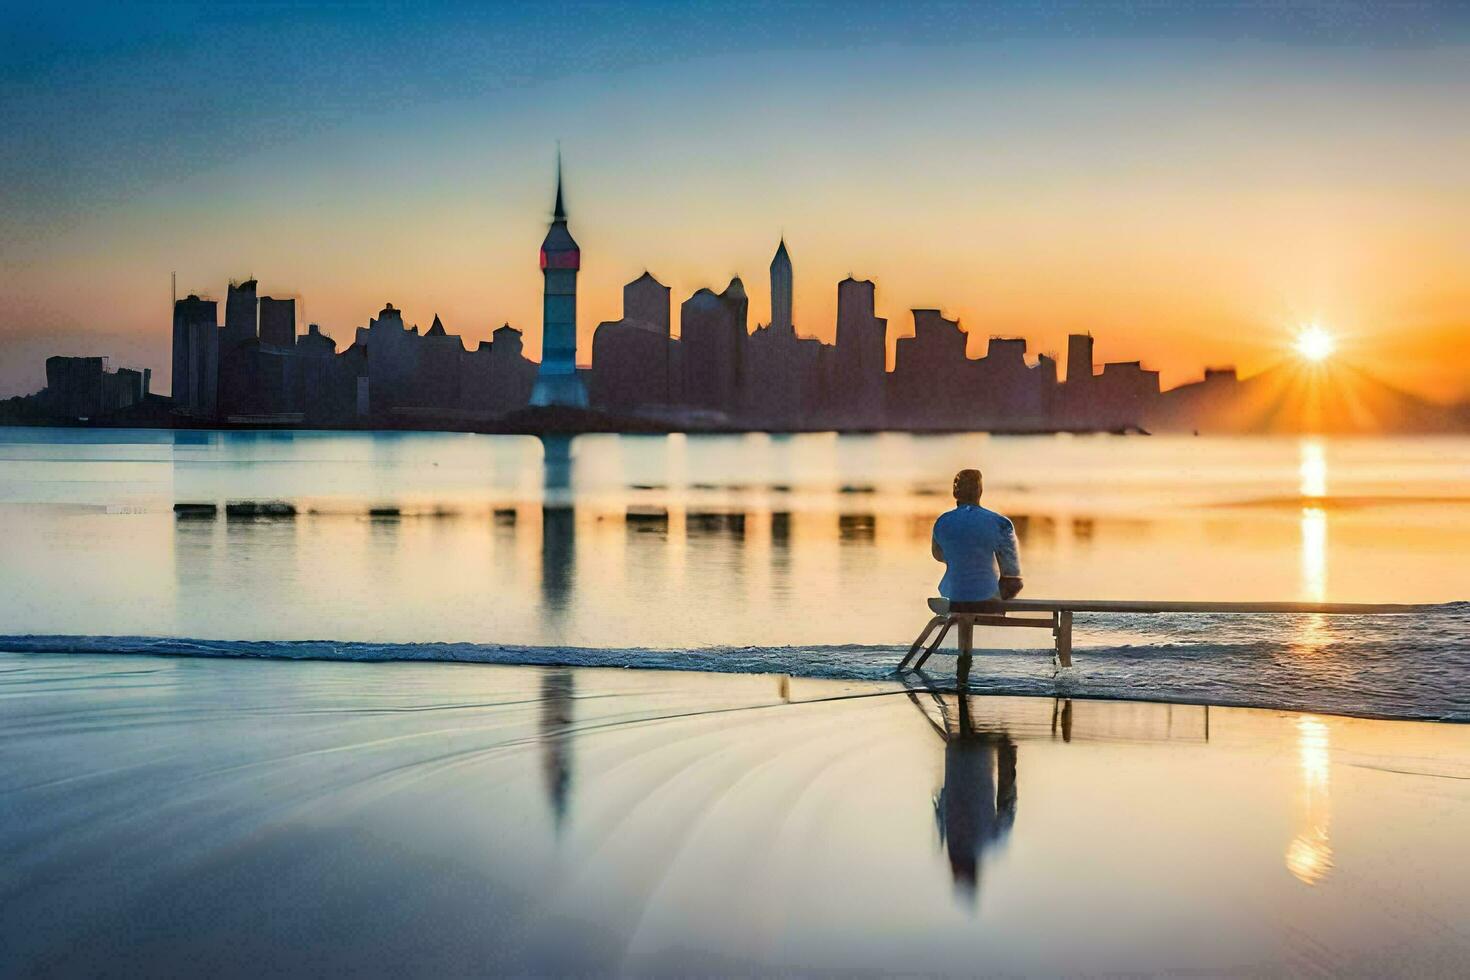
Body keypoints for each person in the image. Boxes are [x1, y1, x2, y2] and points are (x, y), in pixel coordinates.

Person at [931, 468, 1023, 602]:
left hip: (951, 596)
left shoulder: (942, 522)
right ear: (980, 492)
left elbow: (938, 555)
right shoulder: (1001, 523)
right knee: (1010, 585)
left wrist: (962, 558)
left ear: (954, 493)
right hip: (988, 598)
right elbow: (1012, 577)